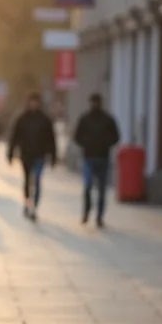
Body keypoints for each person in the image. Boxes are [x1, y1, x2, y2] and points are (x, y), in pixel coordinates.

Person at [7, 92, 56, 220]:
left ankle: (34, 206)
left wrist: (53, 155)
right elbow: (15, 137)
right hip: (26, 155)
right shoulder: (22, 118)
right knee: (28, 181)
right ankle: (27, 202)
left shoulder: (45, 120)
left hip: (40, 155)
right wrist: (10, 153)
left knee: (37, 180)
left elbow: (51, 138)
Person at [73, 93, 120, 227]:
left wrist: (106, 143)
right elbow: (77, 136)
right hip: (88, 157)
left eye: (97, 102)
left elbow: (116, 136)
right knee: (87, 186)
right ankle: (86, 211)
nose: (95, 104)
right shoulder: (85, 119)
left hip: (103, 157)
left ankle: (99, 216)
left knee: (101, 190)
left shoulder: (107, 119)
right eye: (93, 102)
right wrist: (86, 143)